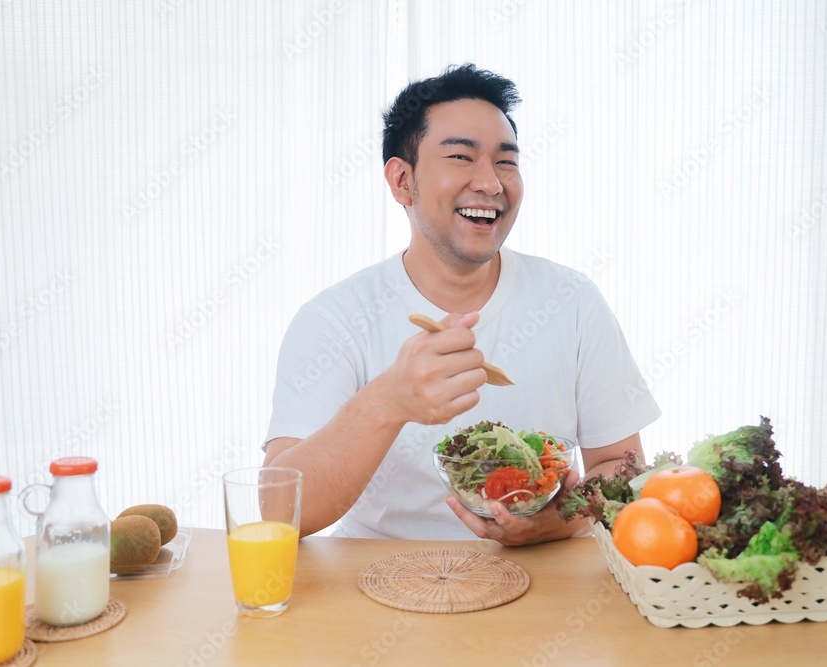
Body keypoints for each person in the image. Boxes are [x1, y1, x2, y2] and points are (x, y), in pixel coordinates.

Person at [263, 64, 660, 545]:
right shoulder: (334, 319)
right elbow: (279, 511)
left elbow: (620, 465)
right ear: (402, 180)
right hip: (378, 573)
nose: (490, 183)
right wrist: (387, 402)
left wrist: (556, 520)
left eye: (506, 162)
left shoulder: (571, 300)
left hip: (546, 573)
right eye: (461, 157)